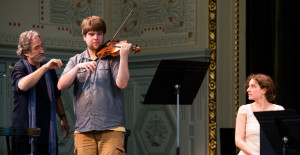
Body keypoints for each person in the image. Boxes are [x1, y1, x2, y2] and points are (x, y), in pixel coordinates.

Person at [57, 16, 132, 155]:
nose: (96, 37)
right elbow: (61, 85)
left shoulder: (112, 58)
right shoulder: (76, 60)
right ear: (84, 37)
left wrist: (124, 57)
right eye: (91, 34)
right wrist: (77, 68)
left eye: (99, 34)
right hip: (83, 130)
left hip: (111, 128)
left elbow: (122, 83)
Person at [11, 30, 70, 155]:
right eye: (36, 48)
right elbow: (22, 85)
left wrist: (63, 117)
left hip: (47, 133)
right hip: (25, 135)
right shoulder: (20, 67)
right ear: (26, 52)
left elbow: (57, 95)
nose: (42, 51)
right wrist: (44, 68)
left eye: (42, 46)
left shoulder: (49, 68)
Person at [235, 73, 284, 155]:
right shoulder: (244, 109)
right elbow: (238, 140)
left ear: (264, 90)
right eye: (248, 86)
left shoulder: (279, 109)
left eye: (253, 86)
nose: (248, 90)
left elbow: (281, 139)